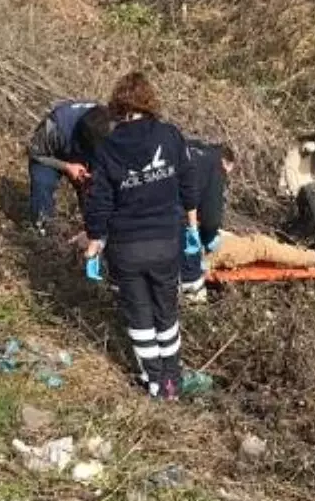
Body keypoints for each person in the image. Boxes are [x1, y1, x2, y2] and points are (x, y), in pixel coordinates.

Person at [83, 72, 199, 401]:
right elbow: (188, 183)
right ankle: (173, 380)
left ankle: (154, 382)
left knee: (139, 314)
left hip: (126, 246)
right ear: (149, 102)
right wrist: (191, 227)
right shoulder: (170, 135)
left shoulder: (107, 147)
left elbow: (99, 199)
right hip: (165, 241)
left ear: (119, 107)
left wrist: (95, 240)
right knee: (166, 309)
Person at [27, 99, 104, 234]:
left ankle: (94, 231)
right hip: (51, 155)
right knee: (42, 182)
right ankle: (42, 228)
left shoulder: (112, 124)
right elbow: (35, 153)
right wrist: (67, 166)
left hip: (87, 152)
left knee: (94, 188)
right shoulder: (54, 127)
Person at [179, 139, 235, 299]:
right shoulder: (215, 165)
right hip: (177, 221)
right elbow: (211, 217)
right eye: (227, 172)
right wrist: (208, 237)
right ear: (225, 162)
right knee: (191, 281)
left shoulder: (190, 147)